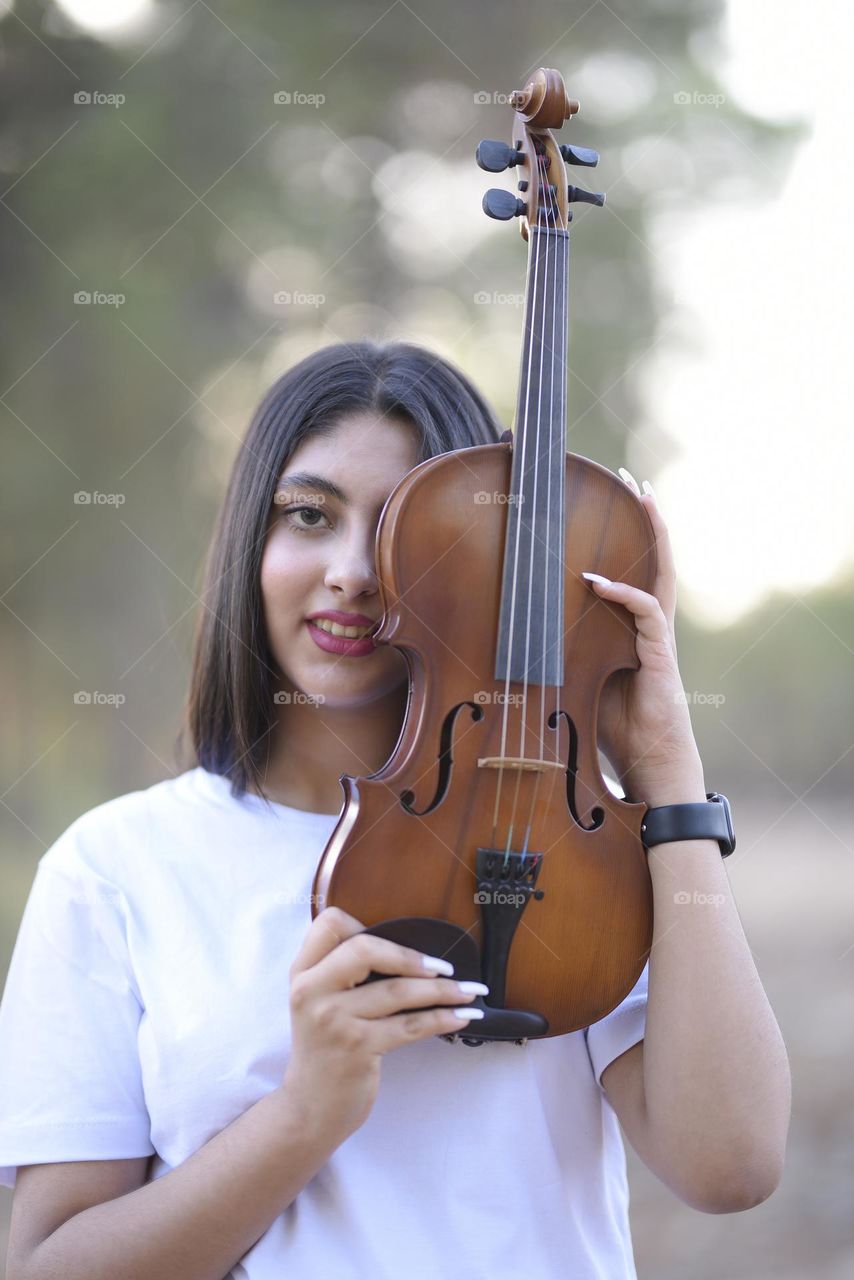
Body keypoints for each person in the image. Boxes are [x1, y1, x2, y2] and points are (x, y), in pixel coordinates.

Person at [0, 341, 790, 1280]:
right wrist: (305, 1114)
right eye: (308, 516)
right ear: (250, 542)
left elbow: (731, 1163)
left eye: (399, 528)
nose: (352, 571)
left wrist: (665, 771)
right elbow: (49, 1265)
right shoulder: (116, 867)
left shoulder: (573, 847)